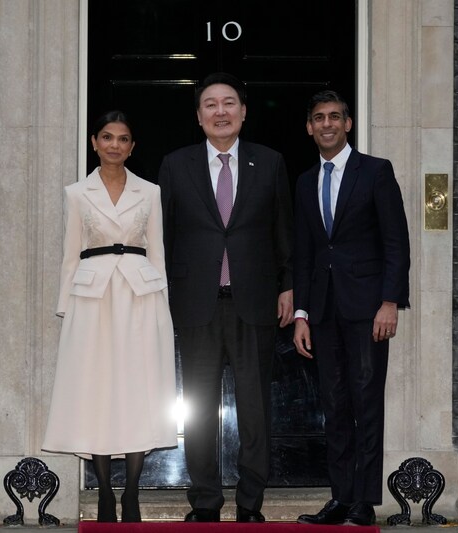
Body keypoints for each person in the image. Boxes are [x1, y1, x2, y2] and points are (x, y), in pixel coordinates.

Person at [158, 72, 293, 523]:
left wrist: (289, 286)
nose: (221, 111)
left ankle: (251, 503)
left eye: (229, 103)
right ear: (199, 117)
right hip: (195, 304)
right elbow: (164, 236)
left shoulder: (270, 162)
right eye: (211, 105)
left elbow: (283, 234)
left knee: (255, 409)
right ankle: (205, 502)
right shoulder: (175, 166)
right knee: (198, 408)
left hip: (254, 303)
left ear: (243, 112)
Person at [42, 111, 177, 523]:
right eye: (107, 137)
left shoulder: (150, 192)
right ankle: (103, 494)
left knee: (139, 391)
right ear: (94, 142)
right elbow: (70, 254)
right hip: (92, 299)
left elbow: (158, 252)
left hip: (140, 296)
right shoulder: (76, 193)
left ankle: (131, 493)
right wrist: (66, 307)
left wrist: (163, 309)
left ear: (132, 146)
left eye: (123, 139)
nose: (115, 145)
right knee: (96, 392)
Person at [292, 90, 410, 527]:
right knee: (334, 405)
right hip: (322, 311)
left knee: (366, 402)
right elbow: (304, 252)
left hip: (367, 309)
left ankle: (364, 501)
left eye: (335, 117)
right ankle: (340, 496)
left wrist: (390, 302)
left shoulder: (376, 172)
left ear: (348, 124)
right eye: (319, 117)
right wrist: (301, 314)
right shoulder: (305, 181)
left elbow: (396, 242)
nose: (327, 124)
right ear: (310, 126)